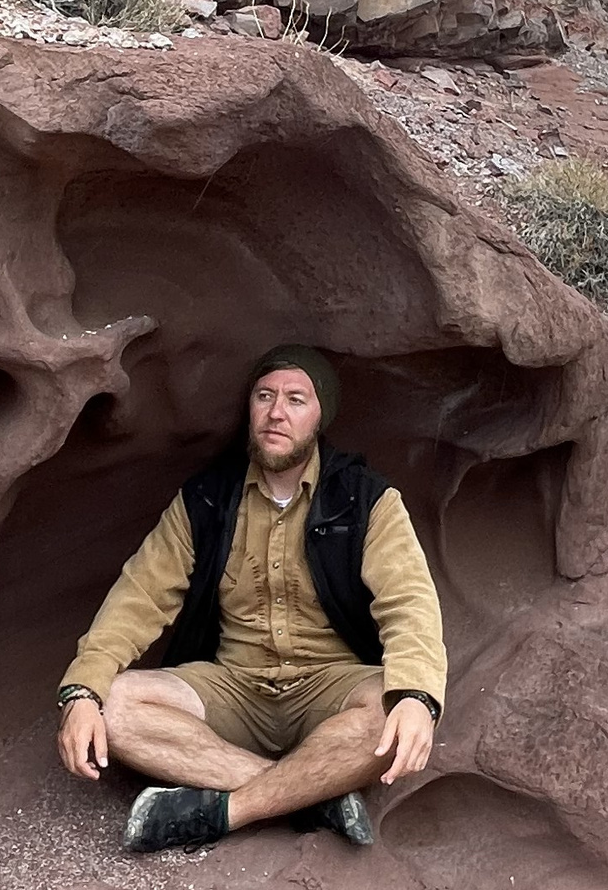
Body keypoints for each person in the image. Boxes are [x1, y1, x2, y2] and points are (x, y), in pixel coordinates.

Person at [54, 345, 446, 853]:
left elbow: (409, 602)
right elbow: (140, 596)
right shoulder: (206, 499)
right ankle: (311, 797)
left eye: (296, 400)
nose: (276, 412)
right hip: (233, 687)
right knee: (114, 706)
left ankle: (226, 812)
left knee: (387, 717)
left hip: (329, 687)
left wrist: (416, 697)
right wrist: (83, 692)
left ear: (320, 415)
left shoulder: (366, 498)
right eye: (265, 396)